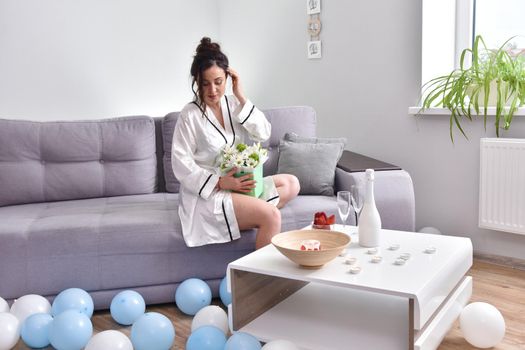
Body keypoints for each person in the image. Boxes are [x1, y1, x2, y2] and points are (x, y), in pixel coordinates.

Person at [171, 37, 300, 249]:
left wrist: (241, 96)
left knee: (291, 183)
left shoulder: (233, 105)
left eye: (218, 82)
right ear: (197, 82)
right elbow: (181, 165)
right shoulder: (190, 115)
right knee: (272, 215)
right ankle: (260, 279)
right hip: (209, 194)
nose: (212, 90)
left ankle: (247, 212)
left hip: (239, 185)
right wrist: (220, 183)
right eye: (206, 83)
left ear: (227, 79)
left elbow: (264, 133)